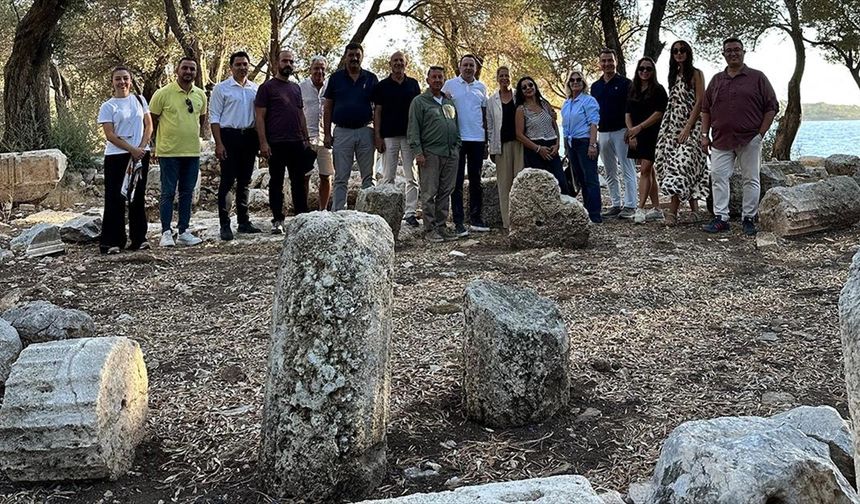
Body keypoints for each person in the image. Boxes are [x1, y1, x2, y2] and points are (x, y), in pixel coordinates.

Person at [701, 37, 778, 235]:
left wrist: (760, 134)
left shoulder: (758, 77)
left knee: (751, 178)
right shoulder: (717, 80)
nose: (733, 53)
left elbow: (771, 107)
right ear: (723, 54)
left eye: (737, 49)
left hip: (749, 138)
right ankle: (721, 218)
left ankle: (748, 218)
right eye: (729, 50)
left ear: (743, 52)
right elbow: (705, 109)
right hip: (720, 139)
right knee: (718, 176)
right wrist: (704, 134)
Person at [149, 57, 207, 247]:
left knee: (187, 193)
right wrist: (154, 145)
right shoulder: (163, 93)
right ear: (177, 70)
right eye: (185, 68)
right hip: (169, 152)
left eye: (192, 69)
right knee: (167, 193)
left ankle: (183, 231)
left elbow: (202, 118)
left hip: (191, 153)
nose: (188, 72)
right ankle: (166, 232)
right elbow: (152, 120)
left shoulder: (200, 95)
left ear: (196, 73)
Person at [97, 66, 153, 254]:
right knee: (115, 198)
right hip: (117, 156)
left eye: (125, 78)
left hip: (140, 156)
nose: (122, 82)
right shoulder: (108, 106)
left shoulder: (140, 100)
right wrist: (131, 149)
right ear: (112, 82)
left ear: (130, 80)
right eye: (118, 79)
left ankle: (139, 239)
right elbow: (110, 135)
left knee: (137, 197)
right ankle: (112, 241)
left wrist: (141, 148)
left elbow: (149, 126)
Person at [255, 49, 311, 234]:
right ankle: (278, 219)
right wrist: (263, 142)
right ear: (277, 63)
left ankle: (302, 217)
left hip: (297, 142)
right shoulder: (267, 88)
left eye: (291, 62)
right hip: (276, 143)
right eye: (285, 61)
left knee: (299, 181)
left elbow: (300, 113)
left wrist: (306, 139)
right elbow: (260, 117)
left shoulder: (296, 88)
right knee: (276, 182)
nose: (288, 64)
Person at [654, 40, 709, 226]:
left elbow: (700, 101)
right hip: (671, 129)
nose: (679, 53)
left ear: (688, 52)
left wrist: (688, 128)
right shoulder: (674, 75)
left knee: (682, 166)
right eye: (675, 50)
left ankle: (673, 212)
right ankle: (695, 211)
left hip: (691, 129)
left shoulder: (696, 74)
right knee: (672, 165)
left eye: (682, 50)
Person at [210, 51, 261, 241]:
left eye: (245, 64)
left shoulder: (254, 89)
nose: (242, 68)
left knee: (245, 181)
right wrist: (219, 143)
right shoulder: (221, 89)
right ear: (231, 67)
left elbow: (259, 117)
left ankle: (243, 221)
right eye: (238, 64)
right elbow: (214, 117)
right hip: (228, 137)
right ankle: (225, 224)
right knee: (227, 181)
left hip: (249, 137)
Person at [407, 66, 461, 242]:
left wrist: (457, 146)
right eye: (434, 77)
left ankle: (441, 226)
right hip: (430, 153)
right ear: (428, 80)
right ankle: (429, 229)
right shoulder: (419, 102)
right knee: (429, 193)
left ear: (444, 80)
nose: (437, 80)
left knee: (446, 191)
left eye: (440, 77)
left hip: (450, 153)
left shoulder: (448, 101)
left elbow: (455, 124)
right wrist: (418, 152)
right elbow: (413, 129)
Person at [323, 42, 379, 211]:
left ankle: (368, 213)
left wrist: (377, 135)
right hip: (342, 132)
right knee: (341, 177)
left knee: (369, 177)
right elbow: (328, 107)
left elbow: (378, 109)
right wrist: (326, 134)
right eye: (351, 55)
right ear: (345, 57)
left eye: (357, 55)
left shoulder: (371, 78)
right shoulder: (335, 78)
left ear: (362, 57)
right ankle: (339, 213)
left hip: (366, 132)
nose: (354, 58)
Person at [372, 51, 422, 227]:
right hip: (389, 136)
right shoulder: (382, 86)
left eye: (401, 60)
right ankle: (388, 213)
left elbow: (418, 111)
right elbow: (377, 112)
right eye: (395, 60)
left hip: (409, 137)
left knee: (412, 177)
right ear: (390, 64)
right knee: (388, 177)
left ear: (406, 63)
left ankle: (410, 213)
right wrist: (377, 136)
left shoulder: (413, 85)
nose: (398, 63)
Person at [443, 54, 490, 236]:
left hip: (477, 140)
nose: (468, 68)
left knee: (476, 180)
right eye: (465, 65)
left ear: (476, 69)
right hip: (458, 139)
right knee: (456, 182)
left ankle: (476, 218)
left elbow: (484, 115)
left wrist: (486, 140)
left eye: (472, 65)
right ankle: (459, 221)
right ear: (460, 67)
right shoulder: (450, 85)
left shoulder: (481, 87)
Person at [592, 48, 637, 220]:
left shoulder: (626, 83)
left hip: (622, 132)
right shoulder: (595, 87)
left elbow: (631, 108)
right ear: (600, 63)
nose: (607, 64)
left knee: (627, 169)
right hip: (603, 133)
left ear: (616, 61)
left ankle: (631, 205)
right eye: (603, 61)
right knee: (610, 171)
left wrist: (631, 132)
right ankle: (616, 204)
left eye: (610, 60)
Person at [625, 56, 668, 223]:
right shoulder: (632, 89)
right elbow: (627, 113)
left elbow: (659, 113)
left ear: (653, 71)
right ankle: (657, 208)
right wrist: (631, 132)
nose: (644, 71)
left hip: (653, 134)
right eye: (641, 68)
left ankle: (641, 208)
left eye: (648, 69)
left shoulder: (658, 89)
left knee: (644, 170)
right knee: (650, 172)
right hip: (636, 134)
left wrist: (639, 128)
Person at [514, 76, 568, 195]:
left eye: (530, 85)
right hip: (535, 151)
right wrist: (538, 149)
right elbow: (519, 135)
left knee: (561, 184)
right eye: (524, 87)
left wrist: (557, 144)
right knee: (543, 189)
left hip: (552, 147)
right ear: (521, 91)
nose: (528, 88)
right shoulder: (521, 109)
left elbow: (554, 125)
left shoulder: (545, 104)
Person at [561, 70, 602, 223]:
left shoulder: (588, 101)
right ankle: (586, 211)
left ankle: (595, 215)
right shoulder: (567, 103)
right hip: (572, 144)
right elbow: (565, 126)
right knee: (580, 180)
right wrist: (566, 147)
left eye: (578, 79)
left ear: (583, 82)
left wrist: (592, 144)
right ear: (569, 84)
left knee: (591, 179)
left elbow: (593, 123)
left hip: (585, 142)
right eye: (572, 80)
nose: (575, 82)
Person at [487, 66, 523, 229]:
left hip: (520, 144)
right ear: (497, 78)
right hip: (501, 146)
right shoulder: (491, 100)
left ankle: (521, 219)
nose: (504, 78)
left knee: (520, 182)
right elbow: (490, 126)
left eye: (507, 75)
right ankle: (507, 223)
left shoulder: (519, 96)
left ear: (511, 77)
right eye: (501, 76)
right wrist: (491, 148)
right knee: (504, 185)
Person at [299, 55, 333, 210]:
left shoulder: (331, 87)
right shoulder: (301, 88)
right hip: (306, 138)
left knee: (326, 176)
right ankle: (303, 210)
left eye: (322, 68)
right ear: (310, 70)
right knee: (304, 176)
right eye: (316, 68)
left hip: (326, 138)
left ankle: (322, 210)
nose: (319, 71)